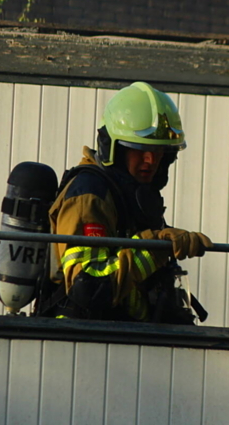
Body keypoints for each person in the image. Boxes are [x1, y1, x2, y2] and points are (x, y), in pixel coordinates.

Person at [43, 81, 212, 323]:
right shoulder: (90, 196)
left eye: (159, 151)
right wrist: (155, 247)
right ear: (115, 149)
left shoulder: (131, 195)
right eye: (140, 148)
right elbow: (89, 288)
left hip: (126, 339)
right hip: (78, 343)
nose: (150, 159)